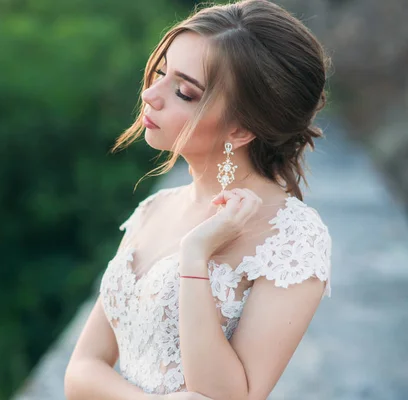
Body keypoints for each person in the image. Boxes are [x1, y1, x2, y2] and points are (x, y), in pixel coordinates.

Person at [64, 1, 332, 399]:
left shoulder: (293, 237)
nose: (150, 94)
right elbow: (80, 371)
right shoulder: (153, 209)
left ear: (241, 130)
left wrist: (194, 258)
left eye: (184, 92)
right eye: (160, 73)